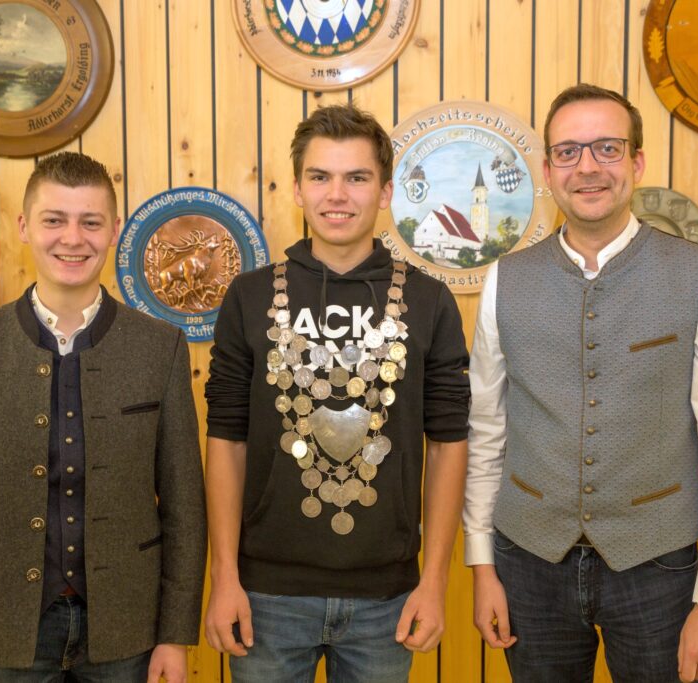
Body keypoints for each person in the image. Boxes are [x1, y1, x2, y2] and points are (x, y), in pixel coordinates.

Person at [463, 84, 698, 683]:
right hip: (527, 566)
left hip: (660, 571)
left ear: (637, 162)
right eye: (568, 151)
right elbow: (486, 433)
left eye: (607, 147)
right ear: (548, 171)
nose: (588, 167)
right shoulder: (505, 279)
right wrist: (481, 566)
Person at [0, 152, 206, 683]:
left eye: (90, 222)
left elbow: (184, 507)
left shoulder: (160, 346)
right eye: (54, 220)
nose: (73, 238)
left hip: (128, 630)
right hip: (2, 627)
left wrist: (174, 635)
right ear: (25, 227)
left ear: (113, 230)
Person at [203, 103, 470, 682]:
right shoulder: (249, 296)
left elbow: (450, 443)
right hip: (267, 595)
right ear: (298, 189)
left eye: (357, 177)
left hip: (388, 599)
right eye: (320, 176)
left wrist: (434, 580)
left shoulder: (429, 301)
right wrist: (223, 576)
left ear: (385, 191)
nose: (337, 195)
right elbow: (225, 439)